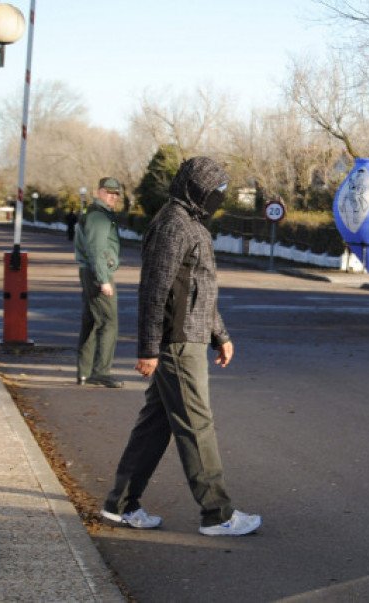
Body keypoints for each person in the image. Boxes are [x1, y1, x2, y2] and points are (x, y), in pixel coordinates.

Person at [101, 157, 261, 536]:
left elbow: (199, 290)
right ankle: (217, 514)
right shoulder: (173, 225)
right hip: (177, 343)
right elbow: (154, 290)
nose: (219, 198)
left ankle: (120, 505)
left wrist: (220, 334)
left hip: (189, 337)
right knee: (196, 425)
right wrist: (148, 349)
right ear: (195, 188)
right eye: (215, 191)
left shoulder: (191, 222)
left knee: (155, 426)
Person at [74, 177, 123, 388]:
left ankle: (84, 372)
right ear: (99, 192)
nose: (112, 196)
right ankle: (101, 372)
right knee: (109, 322)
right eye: (109, 192)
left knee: (91, 321)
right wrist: (104, 280)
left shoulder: (95, 214)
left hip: (91, 271)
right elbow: (96, 250)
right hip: (97, 273)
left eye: (116, 193)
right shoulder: (98, 217)